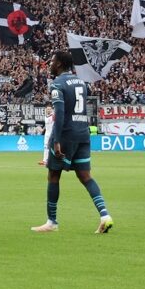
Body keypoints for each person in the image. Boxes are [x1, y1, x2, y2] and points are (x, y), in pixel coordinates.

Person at [32, 50, 113, 234]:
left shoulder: (57, 84)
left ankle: (52, 222)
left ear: (59, 63)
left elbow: (59, 113)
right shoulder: (81, 82)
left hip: (66, 135)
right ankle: (105, 216)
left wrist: (56, 140)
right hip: (83, 134)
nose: (50, 64)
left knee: (53, 175)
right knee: (86, 176)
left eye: (52, 61)